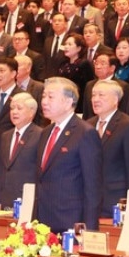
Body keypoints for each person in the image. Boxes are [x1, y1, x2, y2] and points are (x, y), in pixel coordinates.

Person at [36, 77, 102, 232]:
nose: (44, 101)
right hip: (42, 221)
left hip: (70, 222)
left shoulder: (85, 133)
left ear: (68, 102)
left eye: (50, 97)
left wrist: (89, 230)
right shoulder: (45, 133)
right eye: (44, 96)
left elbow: (93, 186)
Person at [89, 79, 129, 218]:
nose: (95, 99)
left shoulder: (128, 126)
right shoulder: (87, 125)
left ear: (115, 99)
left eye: (101, 95)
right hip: (90, 199)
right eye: (93, 95)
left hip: (115, 199)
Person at [0, 92, 43, 208]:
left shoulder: (40, 135)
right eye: (12, 108)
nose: (14, 112)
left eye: (19, 108)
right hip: (6, 199)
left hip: (28, 200)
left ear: (31, 112)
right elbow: (1, 170)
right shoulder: (5, 136)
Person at [57, 33, 94, 110]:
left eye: (70, 44)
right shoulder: (63, 63)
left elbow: (88, 86)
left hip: (79, 103)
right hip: (63, 101)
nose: (66, 47)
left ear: (79, 48)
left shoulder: (84, 64)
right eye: (65, 44)